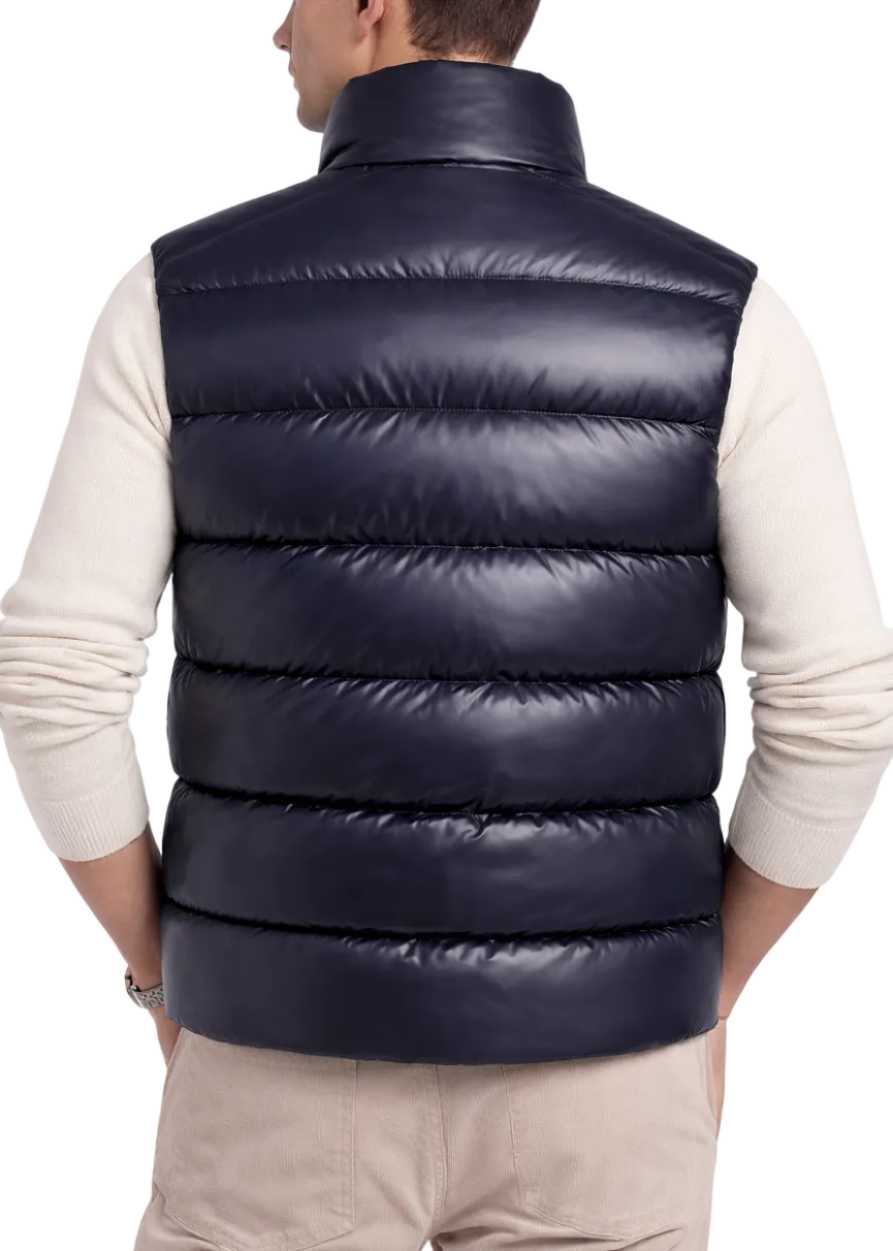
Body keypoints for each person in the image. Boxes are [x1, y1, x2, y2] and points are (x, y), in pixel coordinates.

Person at [1, 2, 892, 1248]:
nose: (276, 30)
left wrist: (165, 973)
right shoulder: (719, 312)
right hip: (607, 1082)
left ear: (372, 8)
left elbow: (54, 682)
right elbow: (840, 709)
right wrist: (700, 981)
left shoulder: (180, 297)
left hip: (273, 1056)